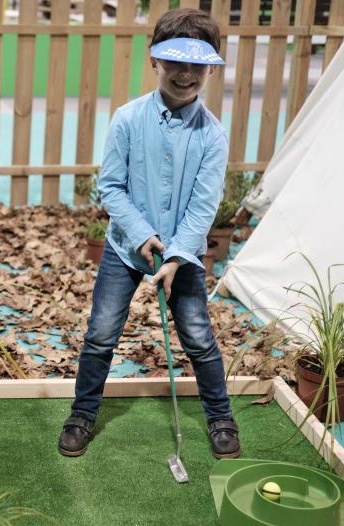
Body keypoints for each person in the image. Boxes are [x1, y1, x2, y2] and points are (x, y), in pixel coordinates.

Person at [57, 8, 241, 460]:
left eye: (197, 65)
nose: (185, 74)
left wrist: (177, 256)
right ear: (154, 60)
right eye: (175, 62)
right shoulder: (127, 118)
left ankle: (220, 416)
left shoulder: (212, 136)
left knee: (198, 335)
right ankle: (83, 413)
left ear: (210, 69)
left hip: (182, 256)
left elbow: (203, 206)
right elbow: (111, 187)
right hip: (125, 249)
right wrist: (141, 234)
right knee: (101, 333)